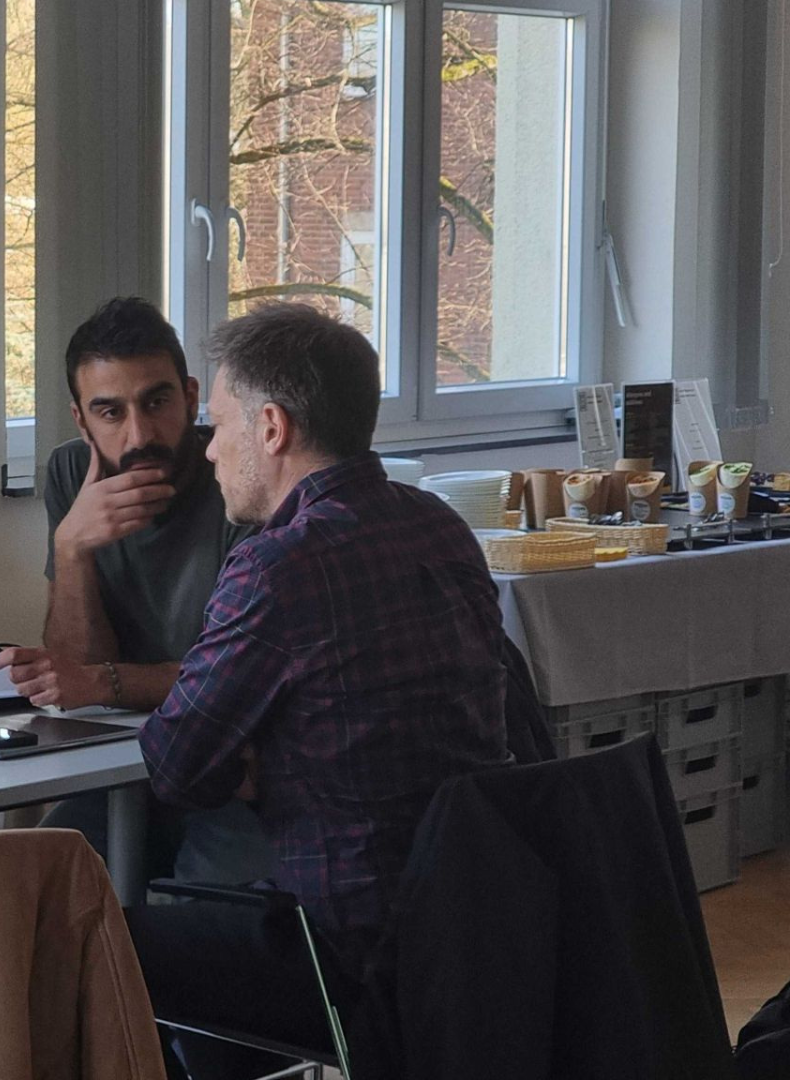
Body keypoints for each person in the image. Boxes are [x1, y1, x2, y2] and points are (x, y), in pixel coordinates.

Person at [127, 304, 521, 1079]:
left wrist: (259, 757)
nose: (209, 450)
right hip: (470, 924)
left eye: (220, 425)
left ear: (271, 428)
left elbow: (174, 768)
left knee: (96, 942)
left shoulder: (276, 565)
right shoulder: (439, 526)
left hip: (340, 948)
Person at [0, 297, 271, 883]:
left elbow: (235, 683)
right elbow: (77, 669)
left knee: (204, 913)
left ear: (191, 397)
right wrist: (72, 549)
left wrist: (103, 682)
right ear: (81, 420)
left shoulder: (240, 483)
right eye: (110, 412)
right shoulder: (71, 473)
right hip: (125, 765)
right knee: (33, 884)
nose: (139, 434)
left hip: (232, 772)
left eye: (156, 402)